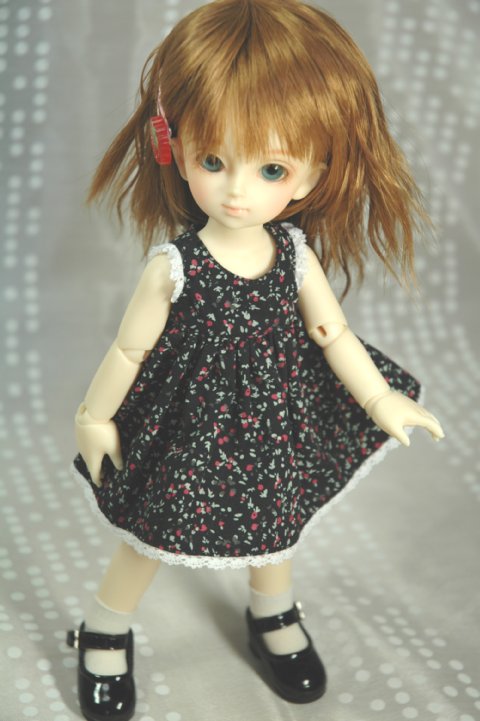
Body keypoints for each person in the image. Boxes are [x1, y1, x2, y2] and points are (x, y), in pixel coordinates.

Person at [66, 2, 444, 719]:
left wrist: (378, 398)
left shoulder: (293, 254)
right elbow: (129, 348)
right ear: (176, 148)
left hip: (273, 421)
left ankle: (273, 613)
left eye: (270, 168)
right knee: (152, 532)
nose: (238, 190)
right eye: (214, 161)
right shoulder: (175, 266)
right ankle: (104, 628)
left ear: (307, 176)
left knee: (276, 522)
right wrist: (93, 416)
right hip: (192, 426)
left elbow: (334, 334)